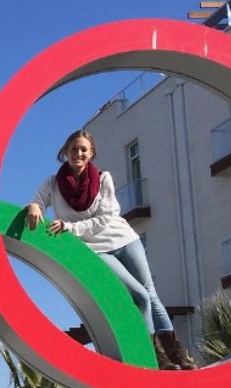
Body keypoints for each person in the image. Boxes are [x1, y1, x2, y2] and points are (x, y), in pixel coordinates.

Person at [26, 129, 195, 370]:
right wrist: (34, 206)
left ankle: (176, 355)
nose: (79, 153)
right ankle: (153, 356)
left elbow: (105, 217)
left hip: (124, 239)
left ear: (91, 153)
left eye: (84, 149)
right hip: (96, 250)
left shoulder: (103, 179)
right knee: (139, 296)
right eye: (74, 149)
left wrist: (69, 228)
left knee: (151, 292)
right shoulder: (53, 184)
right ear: (65, 152)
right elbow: (38, 200)